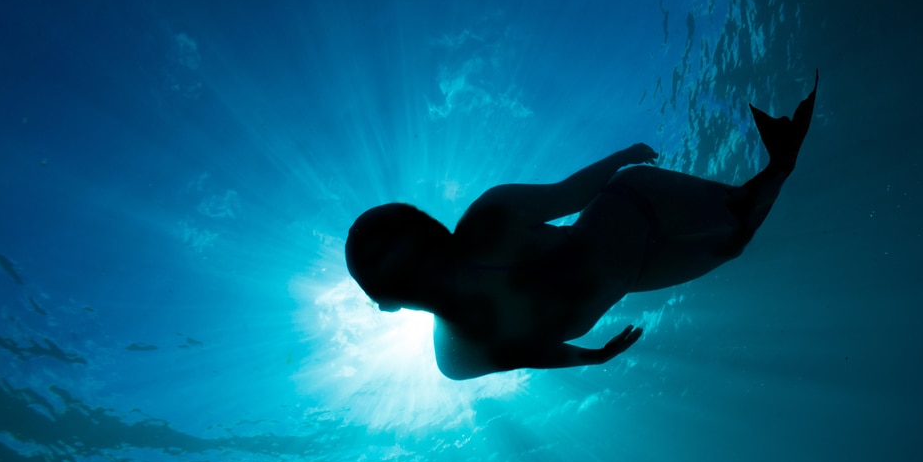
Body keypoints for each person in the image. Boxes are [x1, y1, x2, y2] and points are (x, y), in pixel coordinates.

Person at [346, 73, 818, 380]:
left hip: (624, 211)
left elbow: (570, 195)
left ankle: (780, 163)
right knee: (735, 239)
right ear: (390, 302)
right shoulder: (457, 356)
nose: (426, 271)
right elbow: (525, 354)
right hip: (629, 269)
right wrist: (589, 356)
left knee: (738, 220)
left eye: (418, 252)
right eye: (406, 269)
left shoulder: (488, 222)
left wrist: (620, 159)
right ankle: (782, 160)